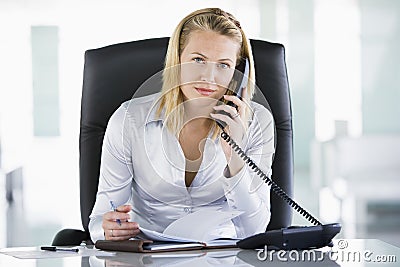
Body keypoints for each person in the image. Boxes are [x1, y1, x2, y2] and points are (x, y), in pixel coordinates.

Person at [88, 7, 275, 243]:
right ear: (177, 60)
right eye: (198, 60)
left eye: (223, 65)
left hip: (220, 256)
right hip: (147, 254)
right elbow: (100, 219)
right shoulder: (129, 120)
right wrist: (108, 229)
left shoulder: (257, 123)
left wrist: (235, 157)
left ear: (238, 73)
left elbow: (254, 231)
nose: (209, 77)